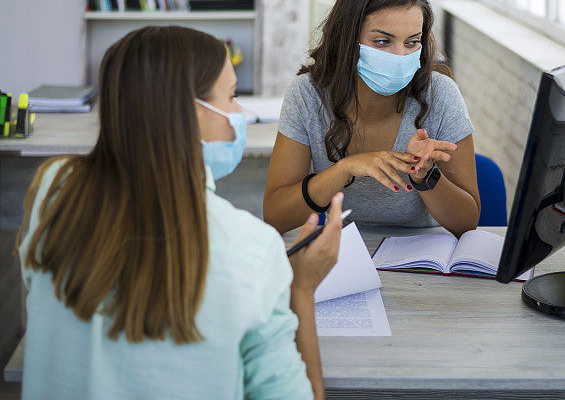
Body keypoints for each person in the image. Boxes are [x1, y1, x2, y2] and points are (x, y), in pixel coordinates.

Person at [16, 26, 342, 400]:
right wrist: (300, 287)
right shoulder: (251, 248)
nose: (239, 113)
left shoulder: (55, 190)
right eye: (232, 97)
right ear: (189, 112)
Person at [263, 0, 480, 237]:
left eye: (412, 42)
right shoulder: (308, 95)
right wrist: (343, 169)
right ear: (347, 38)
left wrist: (425, 177)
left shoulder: (441, 95)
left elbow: (468, 221)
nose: (400, 55)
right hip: (344, 249)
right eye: (382, 41)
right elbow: (275, 216)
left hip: (423, 255)